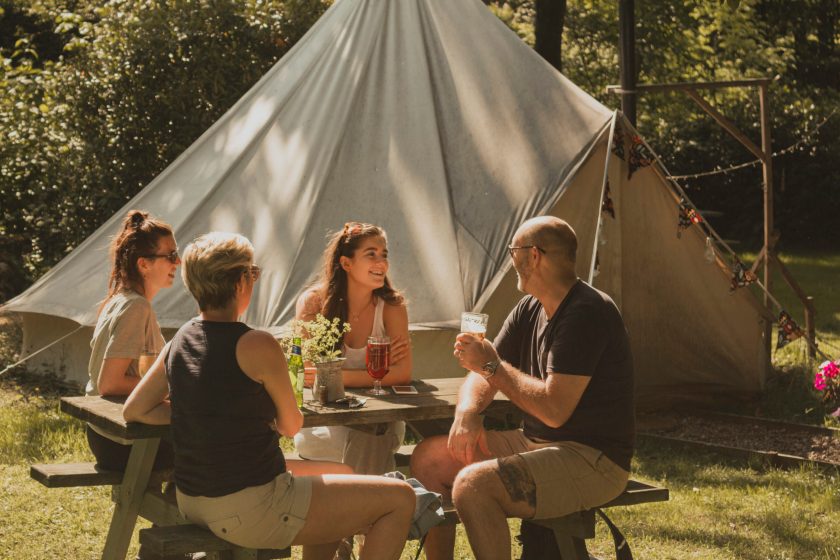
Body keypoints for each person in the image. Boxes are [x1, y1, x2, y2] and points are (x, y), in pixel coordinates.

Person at [124, 232, 414, 560]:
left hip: (193, 498)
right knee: (400, 498)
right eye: (253, 273)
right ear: (239, 284)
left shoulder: (181, 338)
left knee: (340, 475)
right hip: (251, 504)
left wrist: (198, 415)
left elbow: (134, 409)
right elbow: (291, 425)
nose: (254, 280)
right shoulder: (258, 344)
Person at [410, 216, 635, 560]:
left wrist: (492, 367)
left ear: (533, 256)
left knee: (473, 486)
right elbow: (482, 373)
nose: (511, 259)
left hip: (592, 459)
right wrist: (469, 412)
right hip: (535, 444)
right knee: (429, 458)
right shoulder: (530, 307)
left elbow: (554, 410)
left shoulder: (586, 313)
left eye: (513, 250)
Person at [294, 222, 412, 475]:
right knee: (371, 437)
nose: (381, 262)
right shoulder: (314, 303)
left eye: (384, 255)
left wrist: (336, 376)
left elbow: (402, 374)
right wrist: (379, 374)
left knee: (375, 429)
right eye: (371, 254)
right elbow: (307, 374)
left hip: (379, 418)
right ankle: (380, 504)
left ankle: (366, 507)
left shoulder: (392, 307)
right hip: (325, 423)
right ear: (346, 263)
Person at [86, 209, 180, 472]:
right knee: (220, 444)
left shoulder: (122, 300)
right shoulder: (135, 308)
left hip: (109, 433)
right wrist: (171, 391)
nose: (179, 262)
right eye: (171, 255)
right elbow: (110, 382)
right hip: (123, 441)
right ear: (144, 264)